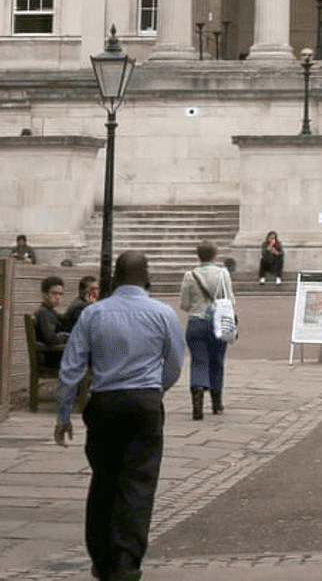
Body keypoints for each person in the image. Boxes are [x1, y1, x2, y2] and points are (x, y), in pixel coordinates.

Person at [54, 251, 184, 581]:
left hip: (105, 403)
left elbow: (71, 365)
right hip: (144, 404)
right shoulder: (163, 313)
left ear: (114, 278)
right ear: (147, 277)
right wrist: (156, 391)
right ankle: (126, 561)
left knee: (104, 480)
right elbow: (174, 364)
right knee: (139, 482)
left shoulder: (94, 314)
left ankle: (102, 558)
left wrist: (64, 412)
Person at [177, 243, 234, 421]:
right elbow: (230, 299)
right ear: (215, 255)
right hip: (218, 321)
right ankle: (217, 403)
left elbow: (184, 304)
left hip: (197, 321)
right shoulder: (223, 274)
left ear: (198, 255)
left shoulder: (190, 275)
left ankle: (197, 405)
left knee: (198, 361)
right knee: (217, 360)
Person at [33, 275, 70, 372]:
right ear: (44, 294)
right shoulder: (44, 312)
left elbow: (64, 321)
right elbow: (51, 338)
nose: (58, 297)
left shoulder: (50, 311)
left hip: (56, 356)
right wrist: (66, 336)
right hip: (52, 359)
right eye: (54, 293)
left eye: (60, 294)